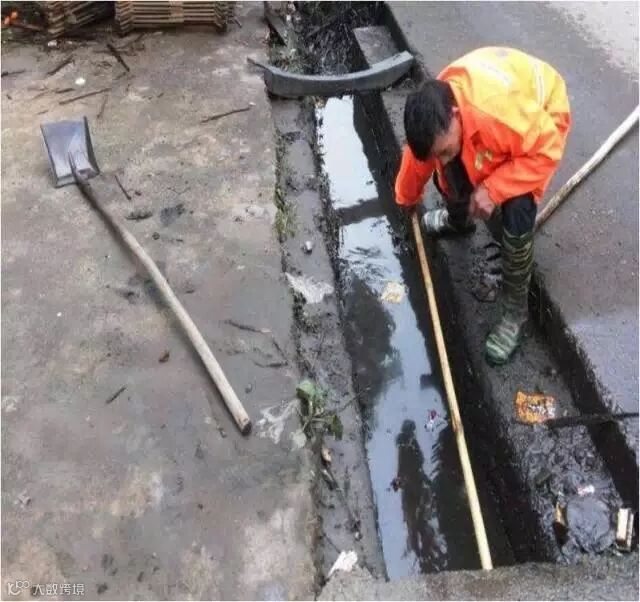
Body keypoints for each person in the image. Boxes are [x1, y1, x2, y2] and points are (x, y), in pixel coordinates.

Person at [395, 47, 571, 365]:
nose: (440, 157)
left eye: (444, 149)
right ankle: (459, 221)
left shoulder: (497, 115)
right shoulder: (435, 122)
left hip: (540, 120)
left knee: (517, 205)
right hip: (498, 121)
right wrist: (405, 201)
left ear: (455, 115)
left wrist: (493, 189)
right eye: (436, 152)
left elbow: (547, 150)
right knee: (451, 168)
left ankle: (515, 315)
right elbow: (417, 163)